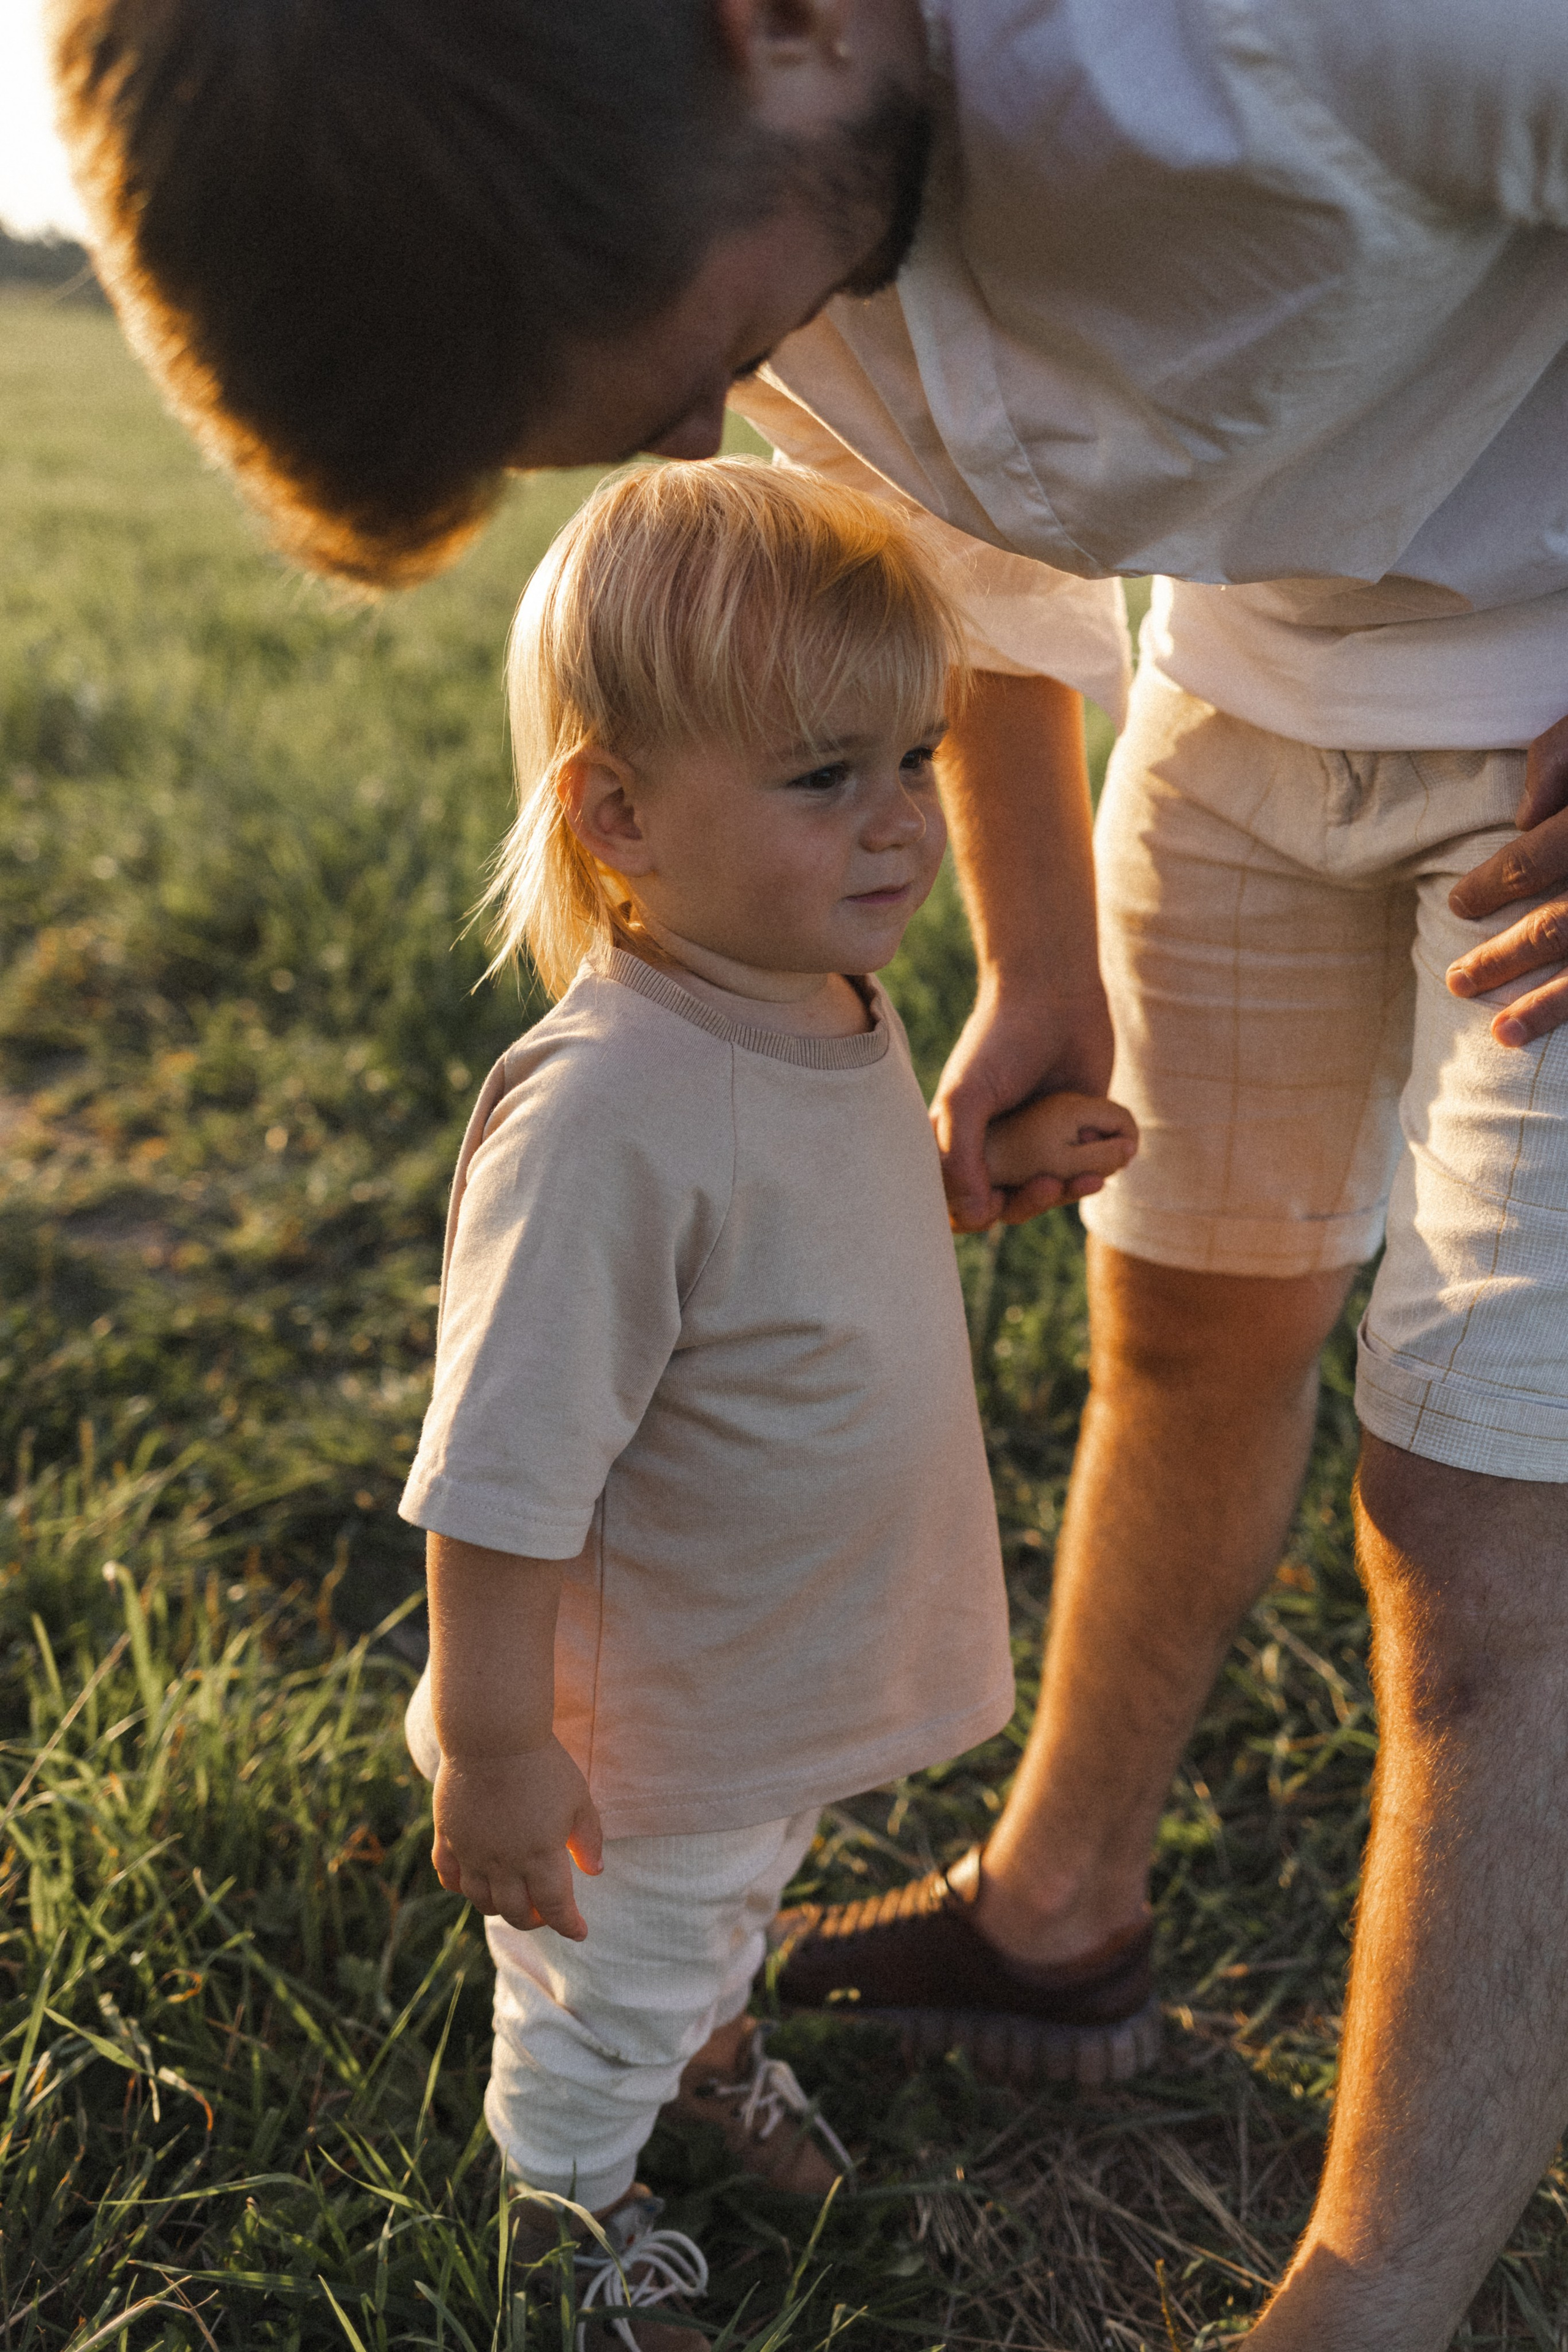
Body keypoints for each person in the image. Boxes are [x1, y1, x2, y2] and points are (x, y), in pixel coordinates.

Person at [47, 2, 1568, 2342]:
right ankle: (1054, 1928)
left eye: (671, 363)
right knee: (1185, 1317)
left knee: (1488, 1521)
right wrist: (1036, 957)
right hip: (1255, 685)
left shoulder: (1350, 28)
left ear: (776, 29)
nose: (692, 437)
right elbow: (957, 552)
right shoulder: (741, 191)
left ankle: (1369, 2298)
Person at [394, 456, 1135, 2345]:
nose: (902, 826)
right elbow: (501, 1473)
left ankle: (707, 2047)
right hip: (633, 1732)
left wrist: (985, 1169)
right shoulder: (606, 1113)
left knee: (730, 1901)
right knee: (609, 1972)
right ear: (618, 813)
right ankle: (568, 2194)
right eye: (825, 777)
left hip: (769, 1668)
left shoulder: (826, 997)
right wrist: (492, 1748)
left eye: (915, 759)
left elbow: (805, 1253)